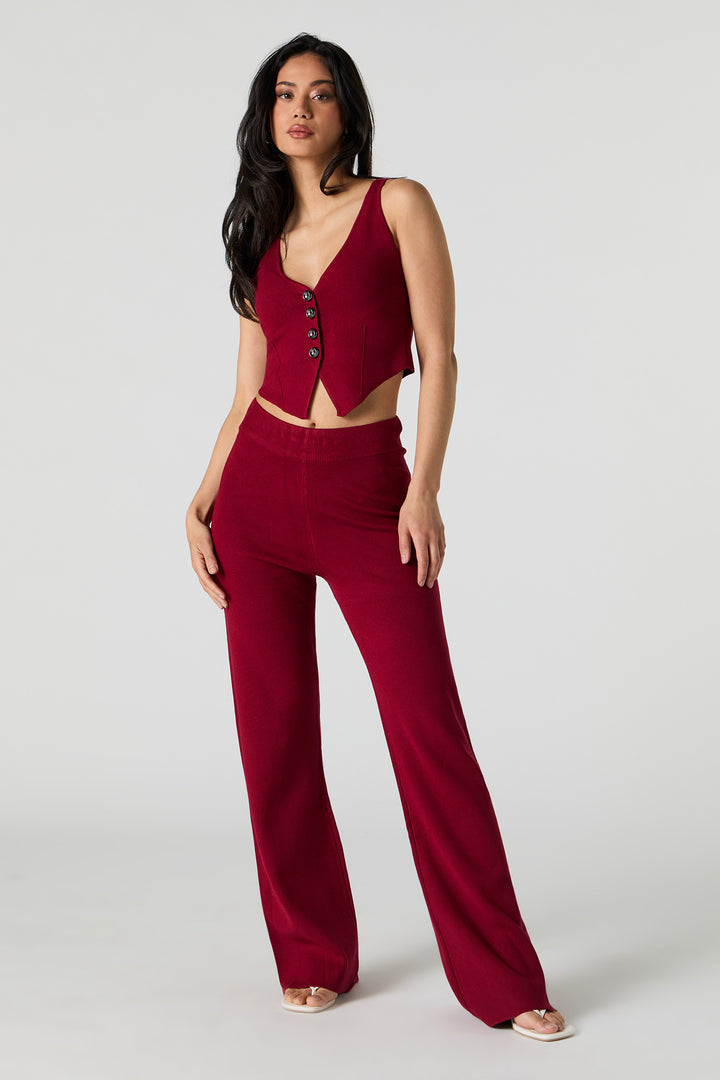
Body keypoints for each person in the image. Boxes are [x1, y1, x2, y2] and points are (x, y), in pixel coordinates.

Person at [185, 32, 575, 1042]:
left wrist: (424, 490)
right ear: (267, 115)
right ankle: (312, 953)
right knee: (274, 735)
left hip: (367, 494)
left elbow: (440, 357)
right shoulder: (260, 231)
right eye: (284, 94)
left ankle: (504, 981)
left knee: (427, 729)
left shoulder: (400, 204)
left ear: (348, 112)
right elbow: (245, 391)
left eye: (320, 93)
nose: (300, 109)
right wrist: (203, 498)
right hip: (258, 499)